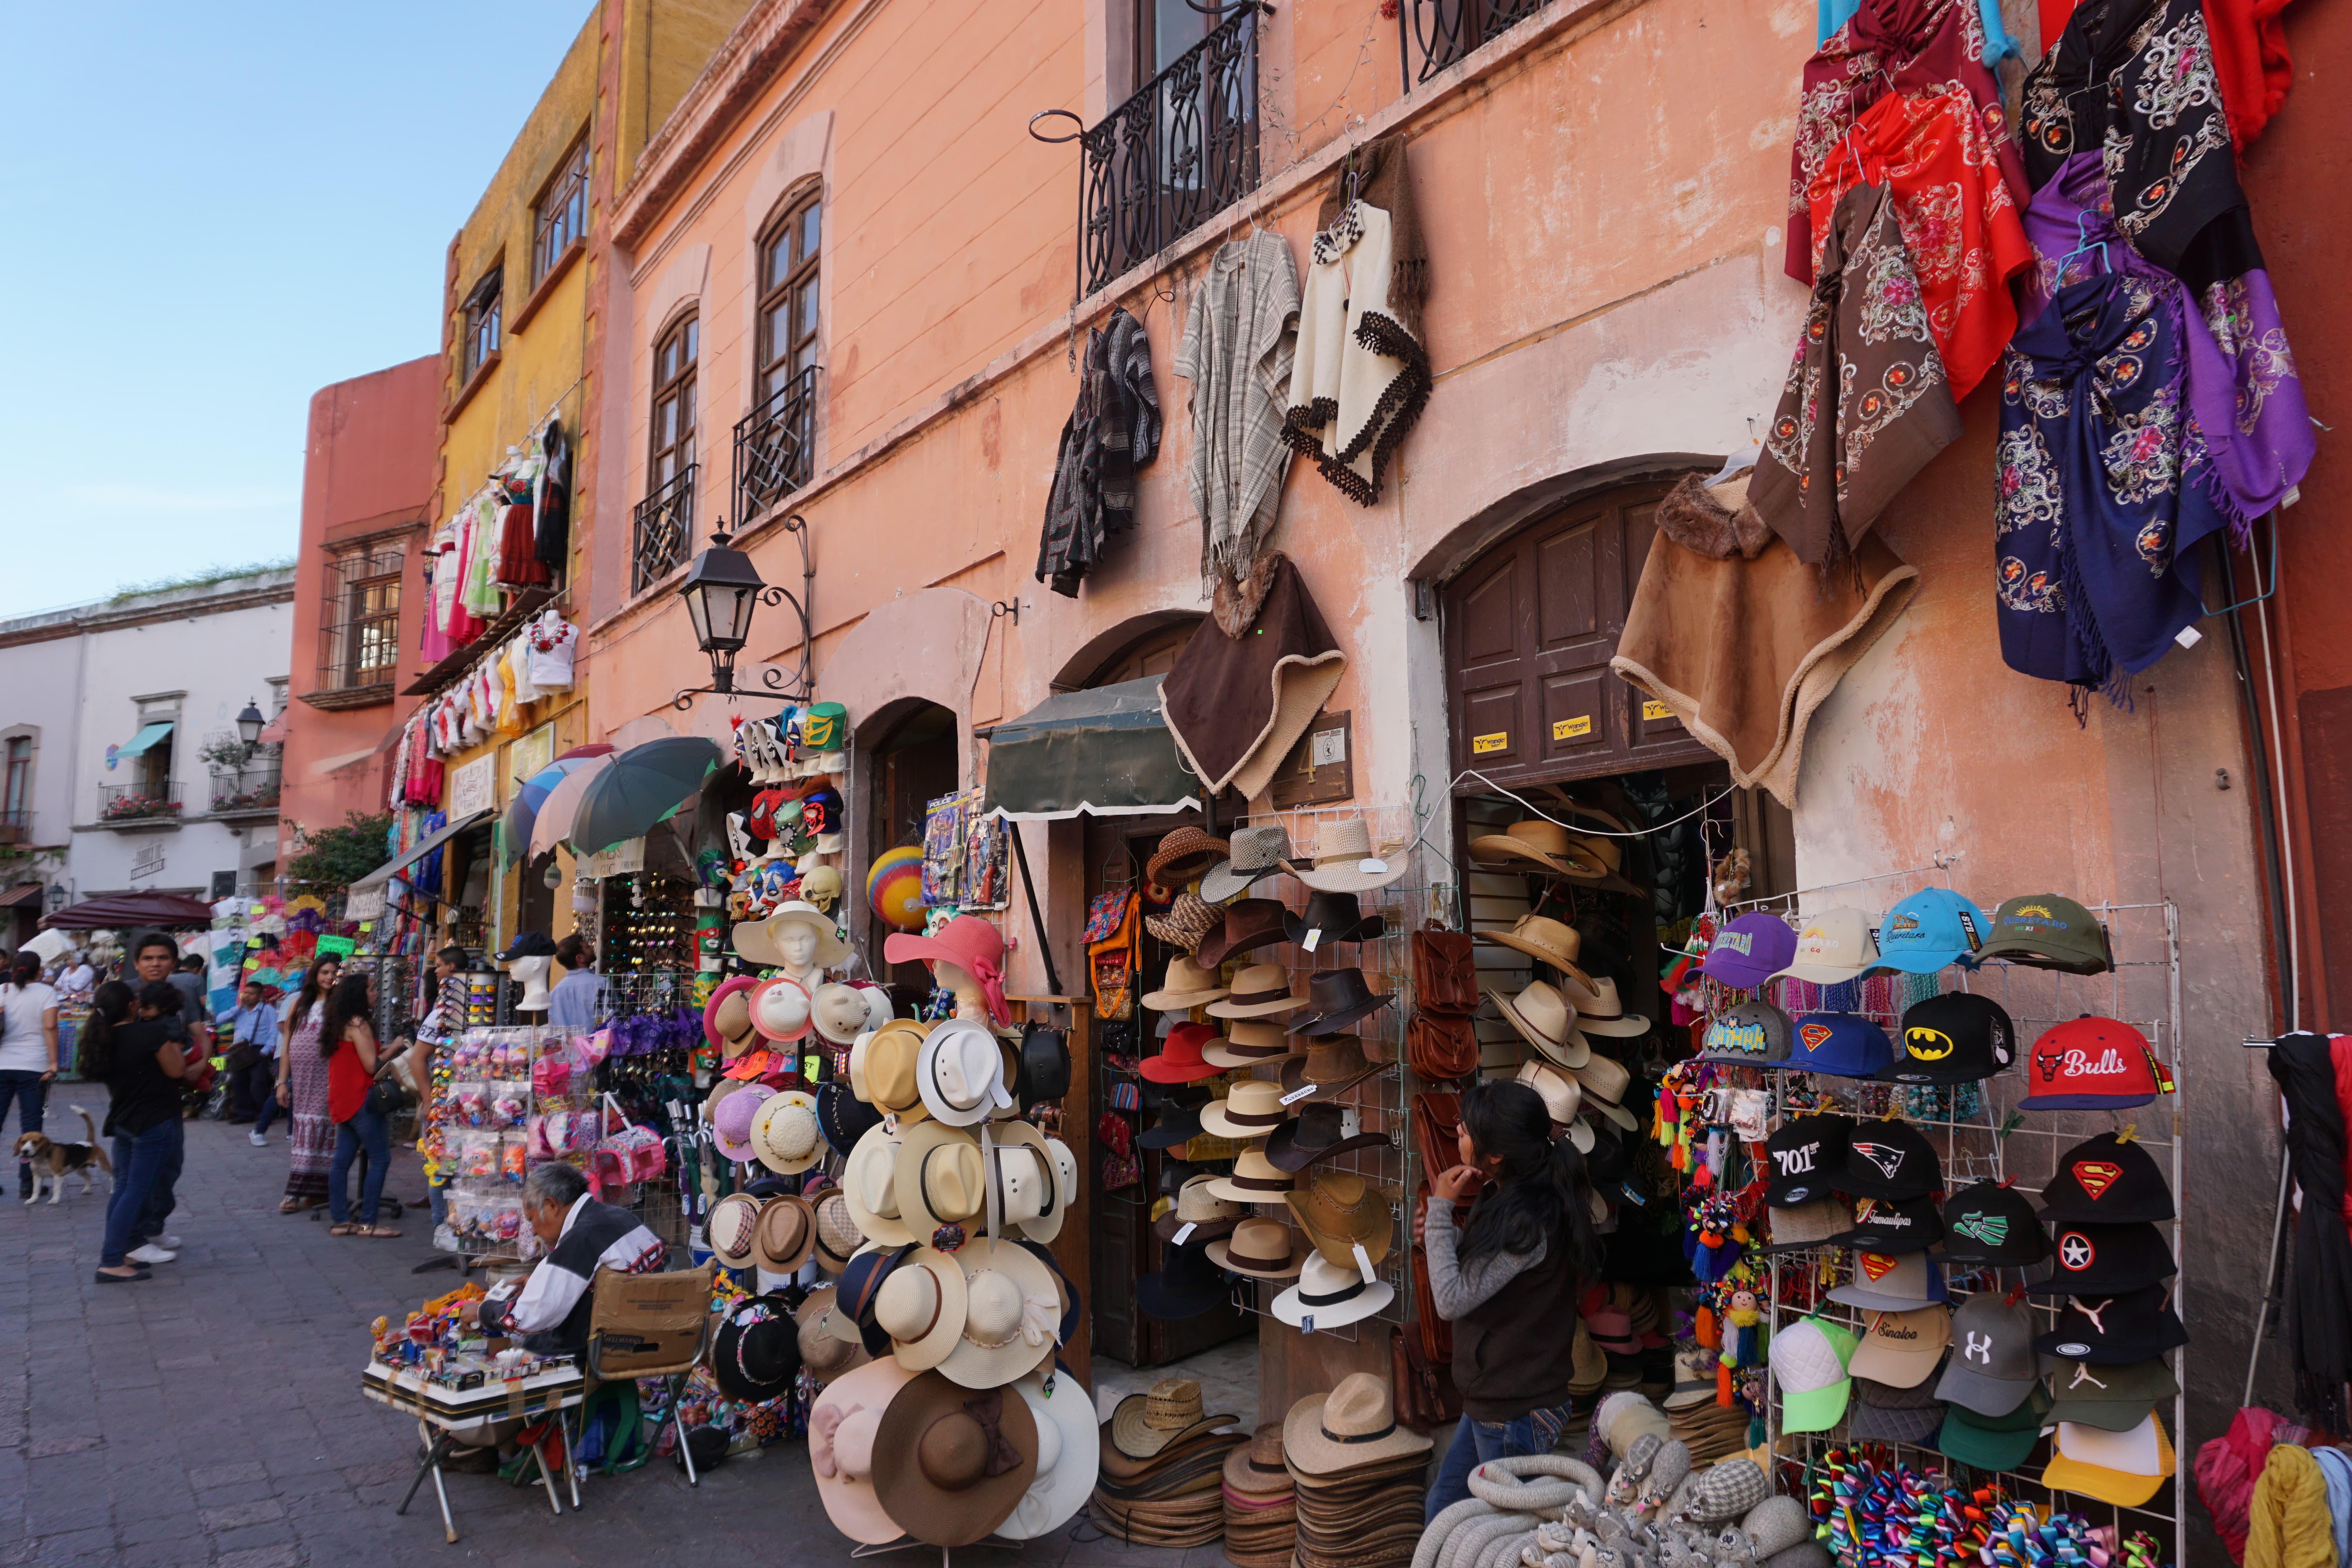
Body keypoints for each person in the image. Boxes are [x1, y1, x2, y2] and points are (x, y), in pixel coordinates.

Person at [1417, 1078, 1602, 1521]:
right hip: (1499, 1398)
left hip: (1514, 1409)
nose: (1459, 1129)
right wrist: (1444, 1235)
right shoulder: (1510, 1196)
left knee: (1501, 1530)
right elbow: (1495, 1276)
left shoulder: (1527, 1218)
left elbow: (1451, 1299)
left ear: (1497, 1154)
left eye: (1467, 1129)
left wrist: (1442, 1212)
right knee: (1444, 1508)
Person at [457, 1162, 664, 1355]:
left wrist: (482, 1312)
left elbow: (531, 1317)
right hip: (657, 1336)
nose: (534, 1231)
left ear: (551, 1206)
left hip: (613, 1350)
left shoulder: (583, 1236)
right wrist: (539, 1286)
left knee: (531, 1345)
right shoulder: (619, 1216)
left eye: (532, 1220)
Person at [92, 982, 188, 1281]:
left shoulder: (102, 1037)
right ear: (132, 1006)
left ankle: (119, 1253)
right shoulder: (150, 1034)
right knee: (134, 1190)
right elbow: (177, 1070)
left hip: (123, 1119)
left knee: (123, 1189)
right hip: (152, 1121)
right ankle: (110, 1260)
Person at [320, 971, 399, 1238]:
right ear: (359, 995)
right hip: (360, 1098)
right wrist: (397, 1048)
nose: (376, 992)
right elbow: (372, 1065)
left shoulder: (340, 1022)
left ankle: (340, 1221)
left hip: (342, 1099)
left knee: (341, 1163)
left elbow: (358, 1055)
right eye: (371, 988)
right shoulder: (359, 1023)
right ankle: (368, 1223)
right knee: (380, 1158)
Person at [276, 955, 341, 1213]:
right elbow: (287, 1046)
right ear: (315, 974)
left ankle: (312, 1191)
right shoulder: (298, 1003)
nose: (329, 977)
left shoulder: (339, 1005)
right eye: (324, 972)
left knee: (322, 1129)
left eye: (334, 973)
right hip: (302, 1080)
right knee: (304, 1130)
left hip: (328, 1075)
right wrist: (282, 1082)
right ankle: (297, 1191)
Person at [0, 951, 60, 1199]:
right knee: (32, 1127)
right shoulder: (47, 993)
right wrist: (54, 1063)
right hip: (34, 1067)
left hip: (2, 1065)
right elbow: (50, 1027)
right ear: (39, 972)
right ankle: (28, 1183)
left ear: (13, 969)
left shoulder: (3, 990)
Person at [220, 980, 281, 1140]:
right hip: (239, 1051)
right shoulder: (239, 1011)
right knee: (239, 1083)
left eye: (251, 994)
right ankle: (243, 1114)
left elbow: (274, 1032)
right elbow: (220, 1020)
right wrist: (238, 1007)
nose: (247, 996)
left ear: (260, 996)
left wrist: (265, 1051)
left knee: (258, 1083)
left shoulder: (267, 1010)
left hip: (257, 1050)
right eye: (245, 993)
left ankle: (263, 1113)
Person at [546, 935, 605, 1031]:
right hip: (597, 1044)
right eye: (587, 947)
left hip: (567, 1045)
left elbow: (554, 1031)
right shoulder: (601, 983)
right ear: (580, 959)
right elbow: (613, 1022)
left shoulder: (555, 993)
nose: (591, 946)